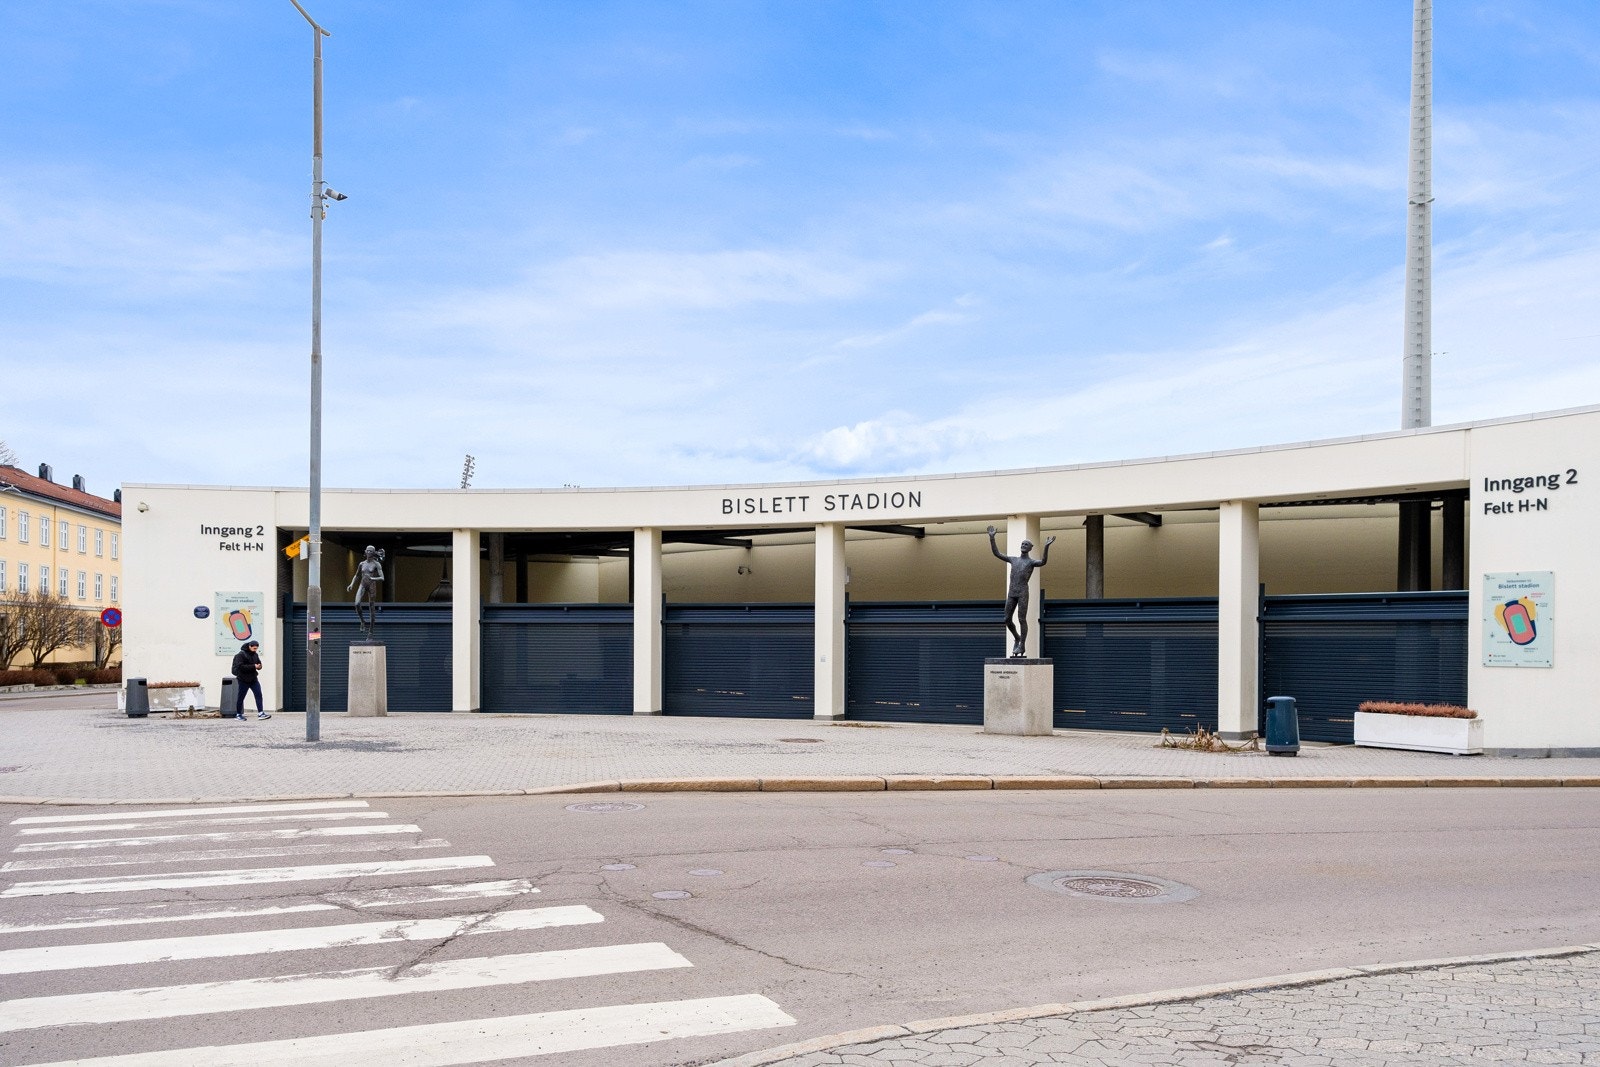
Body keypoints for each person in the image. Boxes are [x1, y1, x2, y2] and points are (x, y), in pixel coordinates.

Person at [988, 525, 1055, 657]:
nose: (1024, 545)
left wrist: (1046, 546)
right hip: (1012, 592)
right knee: (1007, 619)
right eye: (1022, 543)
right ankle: (1017, 637)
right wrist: (992, 538)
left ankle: (1022, 645)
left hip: (1023, 592)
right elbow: (997, 553)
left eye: (1026, 544)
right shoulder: (1013, 560)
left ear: (1030, 548)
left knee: (1021, 619)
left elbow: (1043, 562)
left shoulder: (1031, 562)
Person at [348, 545, 385, 637]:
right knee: (357, 603)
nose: (368, 553)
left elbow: (382, 578)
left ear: (373, 553)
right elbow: (356, 575)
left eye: (370, 551)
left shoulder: (376, 564)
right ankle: (362, 621)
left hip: (372, 585)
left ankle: (371, 631)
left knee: (371, 609)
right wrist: (351, 584)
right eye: (367, 551)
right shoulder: (362, 564)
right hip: (363, 584)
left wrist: (372, 578)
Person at [231, 640, 270, 720]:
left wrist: (259, 666)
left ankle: (261, 713)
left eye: (256, 648)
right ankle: (238, 714)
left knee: (258, 695)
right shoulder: (241, 655)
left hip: (253, 679)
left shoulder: (255, 654)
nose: (255, 650)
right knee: (241, 697)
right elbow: (241, 667)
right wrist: (254, 666)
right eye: (254, 648)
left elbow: (259, 663)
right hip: (243, 679)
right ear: (250, 646)